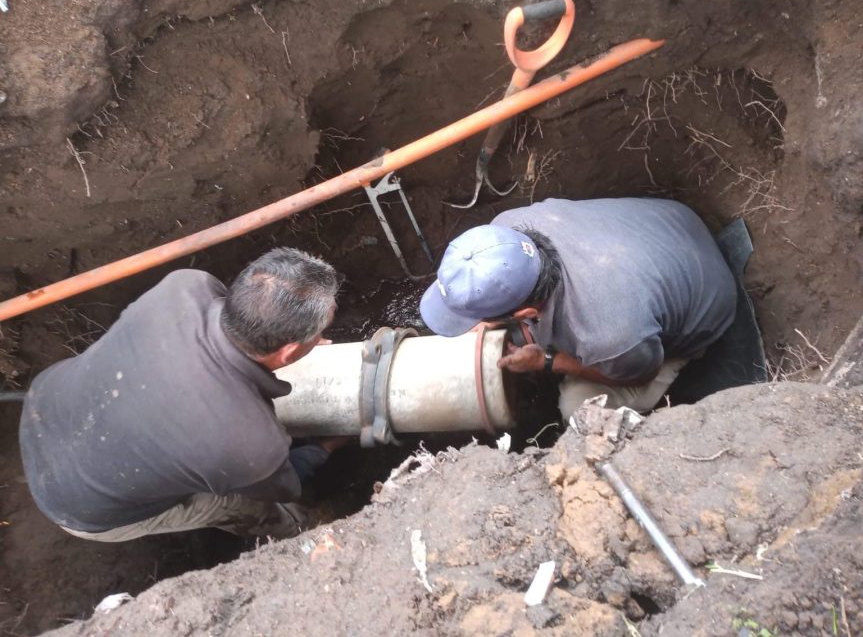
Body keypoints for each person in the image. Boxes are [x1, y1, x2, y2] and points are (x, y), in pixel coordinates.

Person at [19, 247, 341, 542]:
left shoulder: (185, 286)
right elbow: (283, 487)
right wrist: (325, 448)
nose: (321, 338)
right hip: (78, 504)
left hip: (46, 407)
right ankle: (299, 537)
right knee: (242, 506)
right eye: (318, 334)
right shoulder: (250, 445)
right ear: (289, 351)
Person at [420, 198, 737, 416]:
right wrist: (487, 316)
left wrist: (547, 361)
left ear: (526, 315)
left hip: (708, 306)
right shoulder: (508, 228)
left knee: (575, 406)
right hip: (671, 224)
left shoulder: (609, 335)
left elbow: (640, 375)